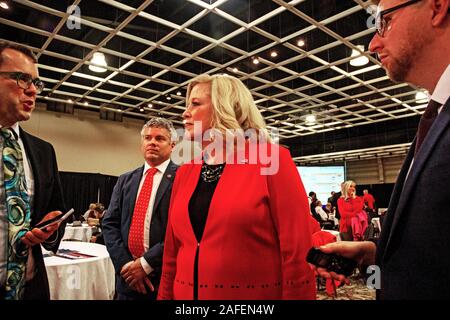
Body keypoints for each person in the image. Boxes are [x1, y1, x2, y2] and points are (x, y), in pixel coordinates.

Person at [316, 0, 450, 299]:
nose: (374, 42)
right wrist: (374, 252)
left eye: (385, 22)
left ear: (437, 7)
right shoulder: (436, 114)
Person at [157, 74, 316, 300]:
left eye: (195, 104)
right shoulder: (185, 172)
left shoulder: (272, 160)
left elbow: (298, 254)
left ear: (225, 107)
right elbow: (172, 252)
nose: (185, 112)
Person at [0, 41, 66, 300]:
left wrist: (49, 231)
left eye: (36, 83)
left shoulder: (43, 152)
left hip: (30, 289)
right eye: (21, 79)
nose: (32, 91)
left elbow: (57, 215)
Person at [103, 117, 178, 300]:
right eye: (147, 138)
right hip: (127, 280)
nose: (152, 142)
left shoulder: (182, 179)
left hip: (162, 279)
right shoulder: (124, 180)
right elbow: (110, 224)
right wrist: (127, 266)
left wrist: (144, 265)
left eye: (160, 138)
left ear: (173, 145)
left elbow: (178, 231)